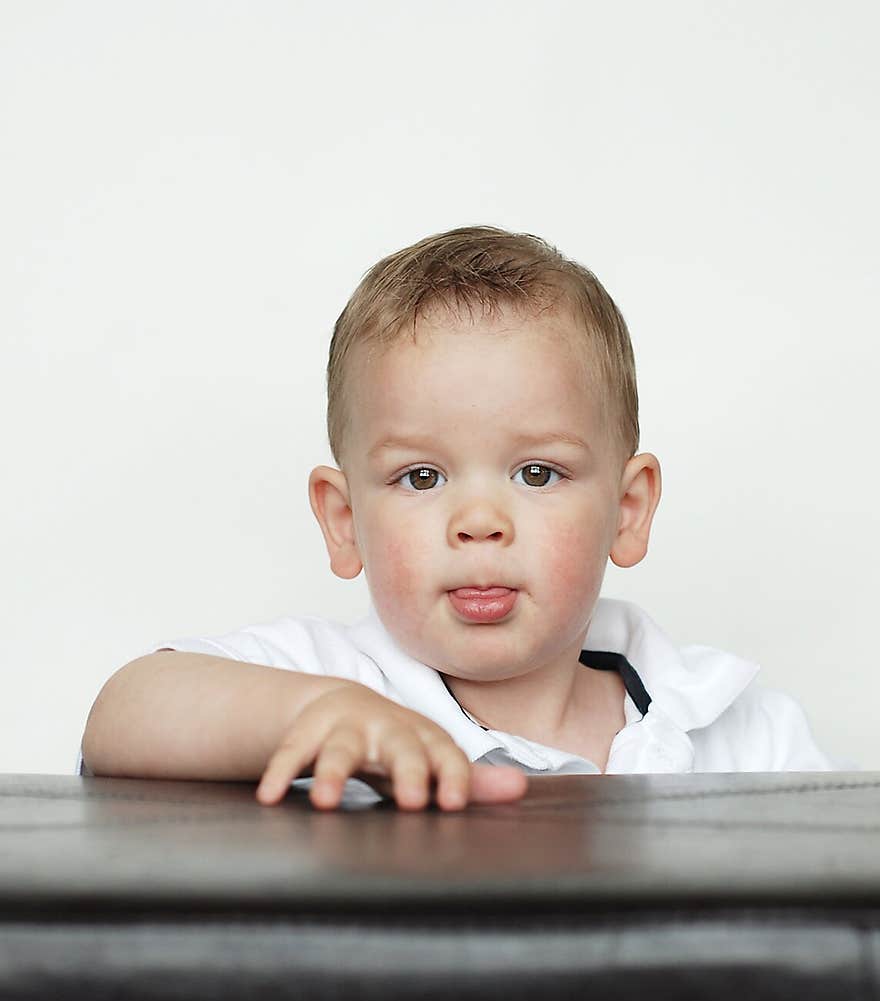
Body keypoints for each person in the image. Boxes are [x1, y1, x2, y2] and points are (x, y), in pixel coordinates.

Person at [78, 225, 844, 811]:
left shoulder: (734, 727)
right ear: (344, 521)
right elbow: (123, 713)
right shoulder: (333, 681)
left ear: (628, 510)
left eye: (537, 473)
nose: (479, 522)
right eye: (421, 476)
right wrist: (315, 714)